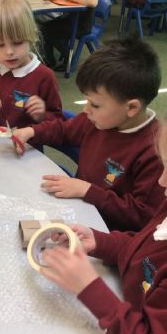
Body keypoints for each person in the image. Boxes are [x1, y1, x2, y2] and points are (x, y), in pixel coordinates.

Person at [39, 119, 167, 334]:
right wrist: (100, 241)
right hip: (124, 305)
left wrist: (89, 288)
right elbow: (145, 249)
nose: (161, 182)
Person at [10, 38, 165, 232]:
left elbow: (141, 216)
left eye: (95, 105)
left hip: (106, 233)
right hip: (78, 206)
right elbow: (64, 131)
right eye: (87, 101)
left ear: (132, 108)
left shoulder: (156, 152)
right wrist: (32, 131)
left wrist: (87, 190)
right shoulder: (98, 119)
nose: (86, 110)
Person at [0, 0, 63, 128]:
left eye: (17, 43)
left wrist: (42, 115)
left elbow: (59, 124)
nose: (9, 52)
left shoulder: (44, 77)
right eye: (0, 45)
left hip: (26, 141)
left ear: (32, 37)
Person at [39, 0, 98, 71]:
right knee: (44, 27)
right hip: (71, 20)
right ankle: (49, 60)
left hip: (82, 25)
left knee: (49, 32)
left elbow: (93, 2)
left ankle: (69, 58)